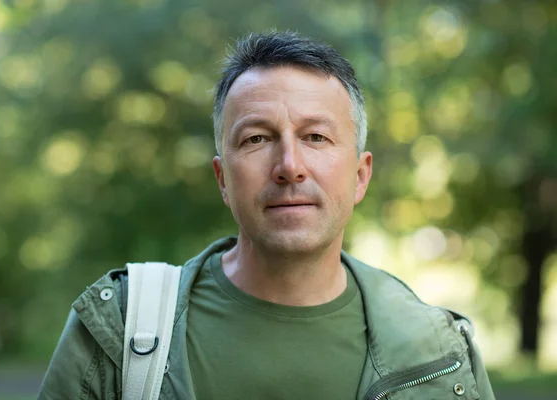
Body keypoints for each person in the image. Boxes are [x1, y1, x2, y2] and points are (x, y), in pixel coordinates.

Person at [38, 31, 495, 399]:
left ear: (360, 175)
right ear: (222, 178)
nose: (290, 166)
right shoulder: (119, 330)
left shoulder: (442, 354)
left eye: (316, 137)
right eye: (257, 138)